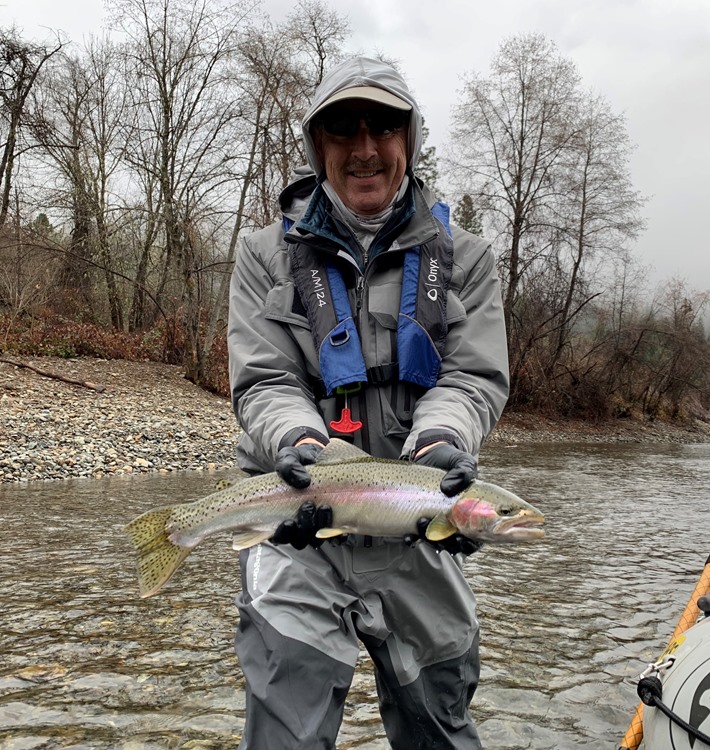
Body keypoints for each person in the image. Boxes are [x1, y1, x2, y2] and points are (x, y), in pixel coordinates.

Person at [227, 55, 510, 750]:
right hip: (298, 519)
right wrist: (297, 442)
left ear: (408, 140)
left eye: (382, 127)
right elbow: (265, 380)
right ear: (316, 145)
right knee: (284, 732)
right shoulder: (264, 253)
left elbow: (472, 377)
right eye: (342, 129)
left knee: (440, 728)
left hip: (416, 517)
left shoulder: (465, 258)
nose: (364, 148)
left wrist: (443, 439)